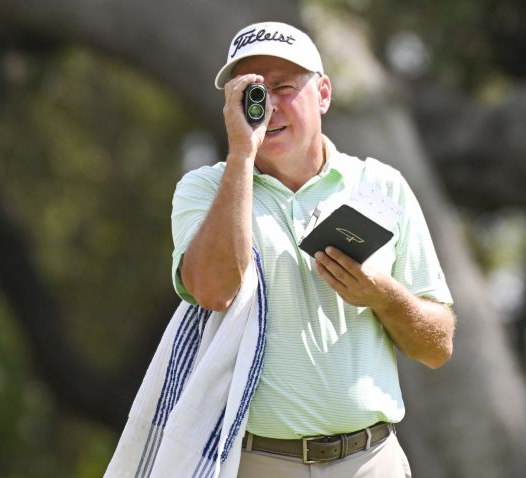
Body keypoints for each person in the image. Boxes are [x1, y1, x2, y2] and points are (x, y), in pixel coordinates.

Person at [171, 21, 455, 478]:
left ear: (323, 94)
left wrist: (382, 297)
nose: (268, 105)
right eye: (252, 92)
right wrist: (241, 154)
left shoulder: (382, 186)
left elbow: (438, 346)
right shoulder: (204, 189)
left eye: (284, 87)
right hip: (258, 464)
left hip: (371, 461)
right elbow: (212, 290)